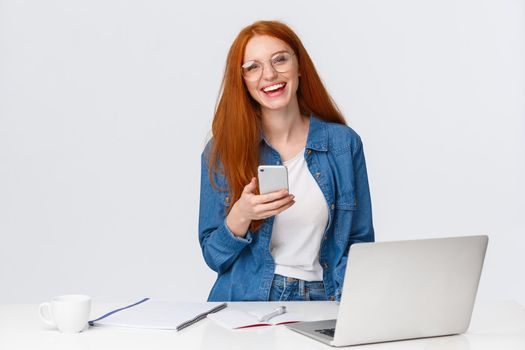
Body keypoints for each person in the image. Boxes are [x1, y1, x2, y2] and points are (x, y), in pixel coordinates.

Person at [198, 20, 374, 302]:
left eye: (280, 60)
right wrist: (242, 214)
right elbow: (214, 256)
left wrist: (350, 310)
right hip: (248, 299)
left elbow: (360, 245)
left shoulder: (343, 144)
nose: (269, 74)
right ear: (242, 81)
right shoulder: (222, 150)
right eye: (253, 67)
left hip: (325, 297)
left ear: (299, 66)